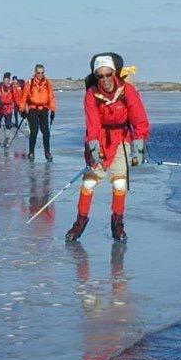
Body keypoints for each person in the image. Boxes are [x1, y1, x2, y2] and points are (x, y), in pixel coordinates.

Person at [65, 53, 150, 243]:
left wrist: (139, 144)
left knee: (119, 183)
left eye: (108, 74)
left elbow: (140, 119)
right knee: (89, 183)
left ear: (115, 73)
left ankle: (117, 225)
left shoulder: (127, 91)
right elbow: (93, 124)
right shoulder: (91, 95)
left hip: (122, 140)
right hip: (101, 139)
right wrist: (94, 147)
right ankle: (80, 223)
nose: (104, 79)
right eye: (100, 76)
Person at [20, 64, 57, 161]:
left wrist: (52, 110)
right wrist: (22, 109)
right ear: (35, 73)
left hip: (44, 109)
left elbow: (51, 97)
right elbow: (24, 97)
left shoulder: (47, 83)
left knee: (46, 132)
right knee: (34, 131)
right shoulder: (30, 83)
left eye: (42, 73)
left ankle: (47, 152)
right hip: (32, 109)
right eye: (38, 73)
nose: (40, 75)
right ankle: (31, 152)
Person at [0, 72, 15, 147]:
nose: (6, 81)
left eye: (7, 80)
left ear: (9, 81)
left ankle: (7, 139)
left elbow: (16, 97)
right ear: (3, 80)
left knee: (8, 125)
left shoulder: (12, 88)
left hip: (8, 108)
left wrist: (19, 106)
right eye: (5, 80)